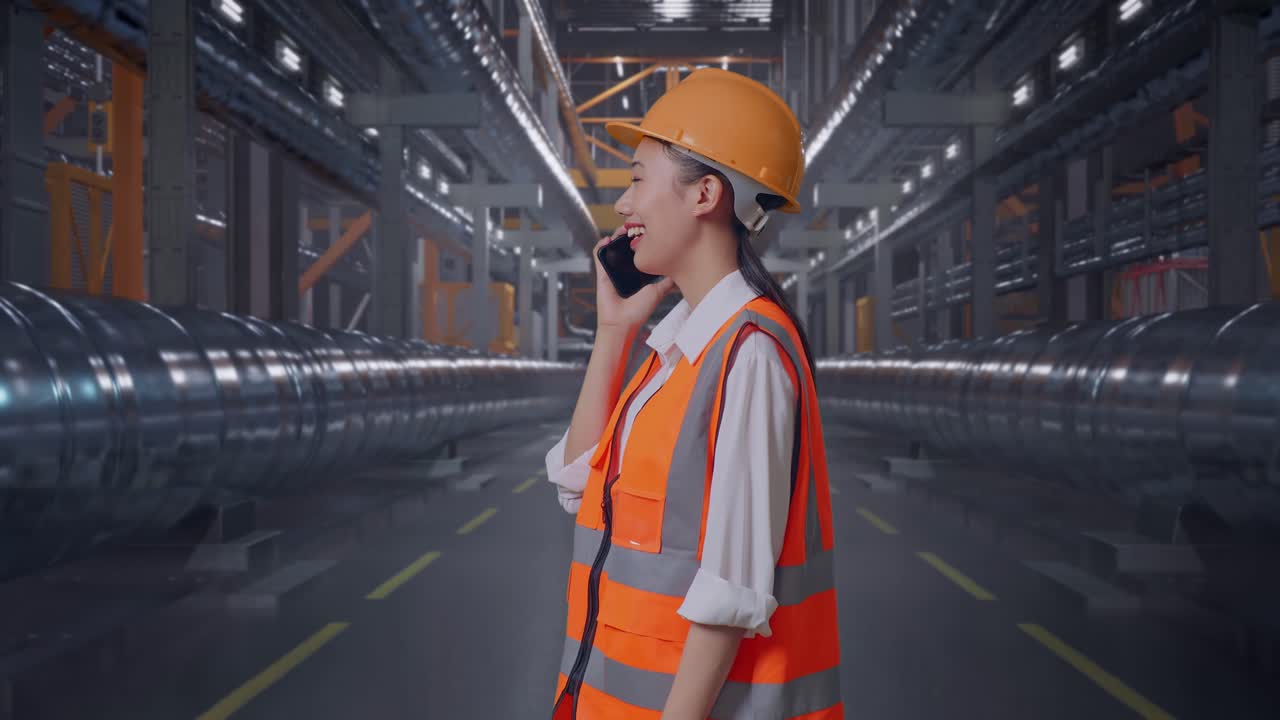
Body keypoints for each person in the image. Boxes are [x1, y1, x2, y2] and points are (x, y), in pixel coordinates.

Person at [546, 68, 843, 720]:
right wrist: (614, 333)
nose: (623, 207)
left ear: (704, 194)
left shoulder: (749, 356)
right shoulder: (678, 349)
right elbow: (578, 485)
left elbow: (730, 594)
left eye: (636, 178)